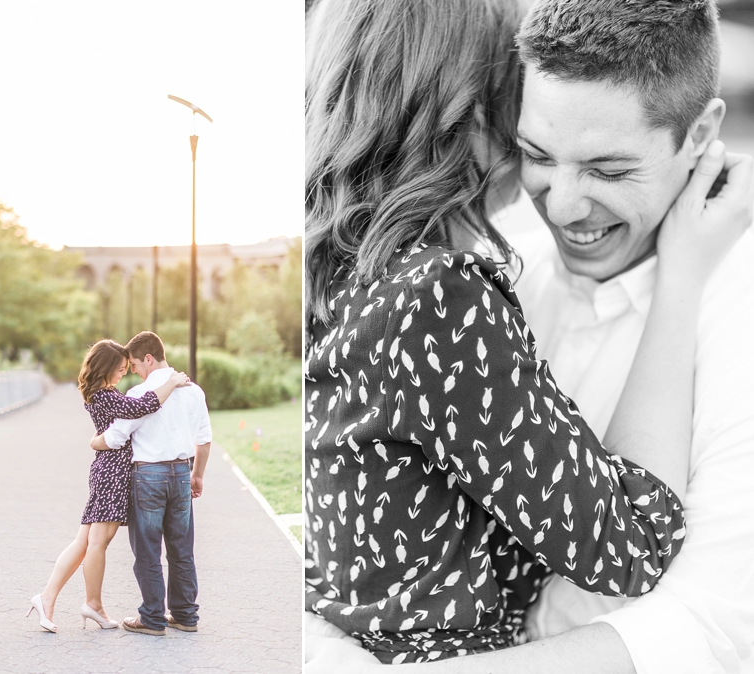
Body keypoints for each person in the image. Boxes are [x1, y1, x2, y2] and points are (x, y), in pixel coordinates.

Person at [303, 0, 752, 666]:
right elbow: (632, 540)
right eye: (535, 150)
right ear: (482, 117)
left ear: (698, 134)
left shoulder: (358, 270)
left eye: (609, 168)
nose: (563, 206)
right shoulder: (456, 289)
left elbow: (714, 624)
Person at [27, 338, 190, 633]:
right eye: (119, 369)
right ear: (105, 367)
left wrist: (95, 440)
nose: (123, 374)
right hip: (113, 473)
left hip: (106, 470)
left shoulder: (102, 393)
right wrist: (174, 381)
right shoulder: (107, 396)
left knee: (84, 543)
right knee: (97, 543)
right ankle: (92, 604)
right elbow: (146, 405)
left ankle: (48, 597)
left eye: (127, 368)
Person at [90, 331, 212, 636]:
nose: (132, 371)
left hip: (148, 477)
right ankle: (185, 615)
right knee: (181, 550)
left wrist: (94, 442)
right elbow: (205, 439)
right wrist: (197, 474)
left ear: (148, 358)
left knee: (147, 550)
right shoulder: (193, 391)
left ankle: (153, 618)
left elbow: (117, 437)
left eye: (133, 364)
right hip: (182, 474)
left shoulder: (137, 395)